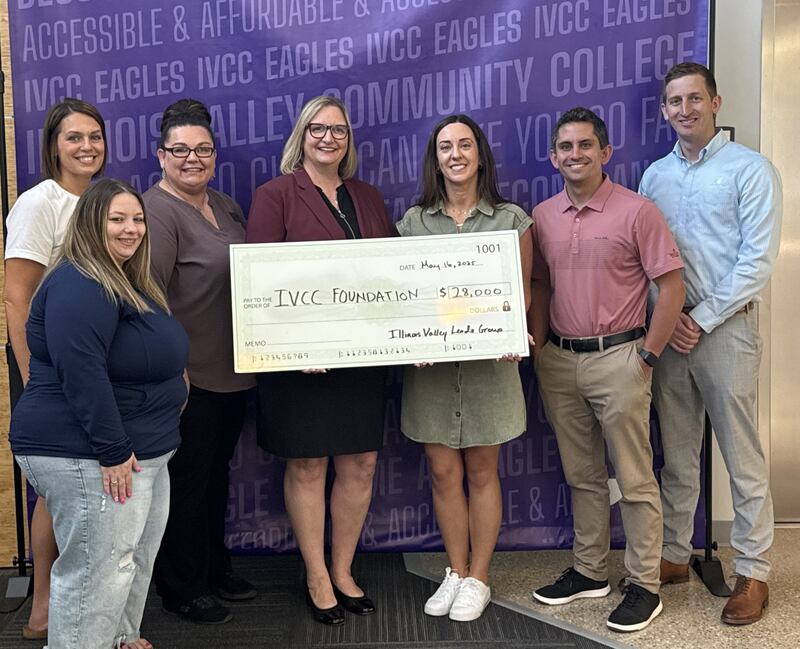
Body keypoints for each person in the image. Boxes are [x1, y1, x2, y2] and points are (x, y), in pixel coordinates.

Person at [9, 178, 189, 649]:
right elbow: (81, 370)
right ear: (90, 222)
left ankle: (121, 637)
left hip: (142, 453)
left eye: (137, 219)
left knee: (129, 559)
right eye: (117, 219)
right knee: (97, 572)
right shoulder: (80, 280)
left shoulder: (126, 277)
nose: (131, 229)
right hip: (90, 455)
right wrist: (112, 450)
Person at [529, 107, 685, 633]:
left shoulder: (637, 211)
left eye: (585, 146)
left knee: (636, 479)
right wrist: (541, 347)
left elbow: (673, 287)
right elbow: (542, 284)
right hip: (560, 361)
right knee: (583, 476)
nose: (576, 155)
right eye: (566, 148)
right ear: (554, 157)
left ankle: (644, 584)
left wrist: (647, 356)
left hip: (621, 358)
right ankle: (590, 570)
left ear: (605, 152)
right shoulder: (543, 215)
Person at [639, 62, 782, 626]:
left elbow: (757, 261)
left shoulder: (751, 171)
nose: (684, 110)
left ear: (716, 103)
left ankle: (753, 571)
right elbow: (649, 261)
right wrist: (667, 319)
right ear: (665, 110)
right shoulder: (654, 177)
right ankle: (675, 553)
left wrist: (701, 315)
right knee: (677, 452)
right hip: (672, 334)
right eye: (674, 102)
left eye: (694, 99)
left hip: (727, 330)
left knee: (740, 455)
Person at [246, 95, 393, 625]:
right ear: (301, 136)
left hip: (360, 360)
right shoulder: (275, 195)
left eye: (338, 130)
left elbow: (393, 277)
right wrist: (294, 346)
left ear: (348, 140)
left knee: (361, 462)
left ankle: (344, 569)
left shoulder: (369, 197)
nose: (328, 138)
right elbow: (260, 284)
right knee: (307, 464)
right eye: (318, 129)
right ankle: (314, 574)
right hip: (299, 364)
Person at [396, 114, 533, 622]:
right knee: (442, 471)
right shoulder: (413, 223)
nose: (455, 154)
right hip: (430, 371)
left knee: (482, 472)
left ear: (480, 155)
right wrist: (409, 337)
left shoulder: (511, 219)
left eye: (465, 145)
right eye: (445, 146)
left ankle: (479, 577)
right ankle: (454, 571)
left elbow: (520, 295)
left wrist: (512, 332)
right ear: (435, 158)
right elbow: (405, 300)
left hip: (490, 371)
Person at [147, 99, 257, 625]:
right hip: (188, 377)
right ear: (161, 155)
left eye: (204, 149)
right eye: (181, 150)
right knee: (186, 483)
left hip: (236, 372)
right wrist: (174, 368)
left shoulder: (228, 206)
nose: (193, 158)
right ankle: (180, 586)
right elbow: (149, 297)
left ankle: (214, 567)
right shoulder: (154, 210)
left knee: (216, 476)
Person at [3, 98, 106, 643]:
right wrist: (33, 374)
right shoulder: (38, 203)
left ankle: (80, 601)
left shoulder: (104, 202)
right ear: (53, 145)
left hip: (95, 367)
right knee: (58, 489)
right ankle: (43, 606)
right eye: (74, 137)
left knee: (87, 485)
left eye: (94, 136)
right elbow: (17, 299)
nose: (86, 146)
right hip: (48, 367)